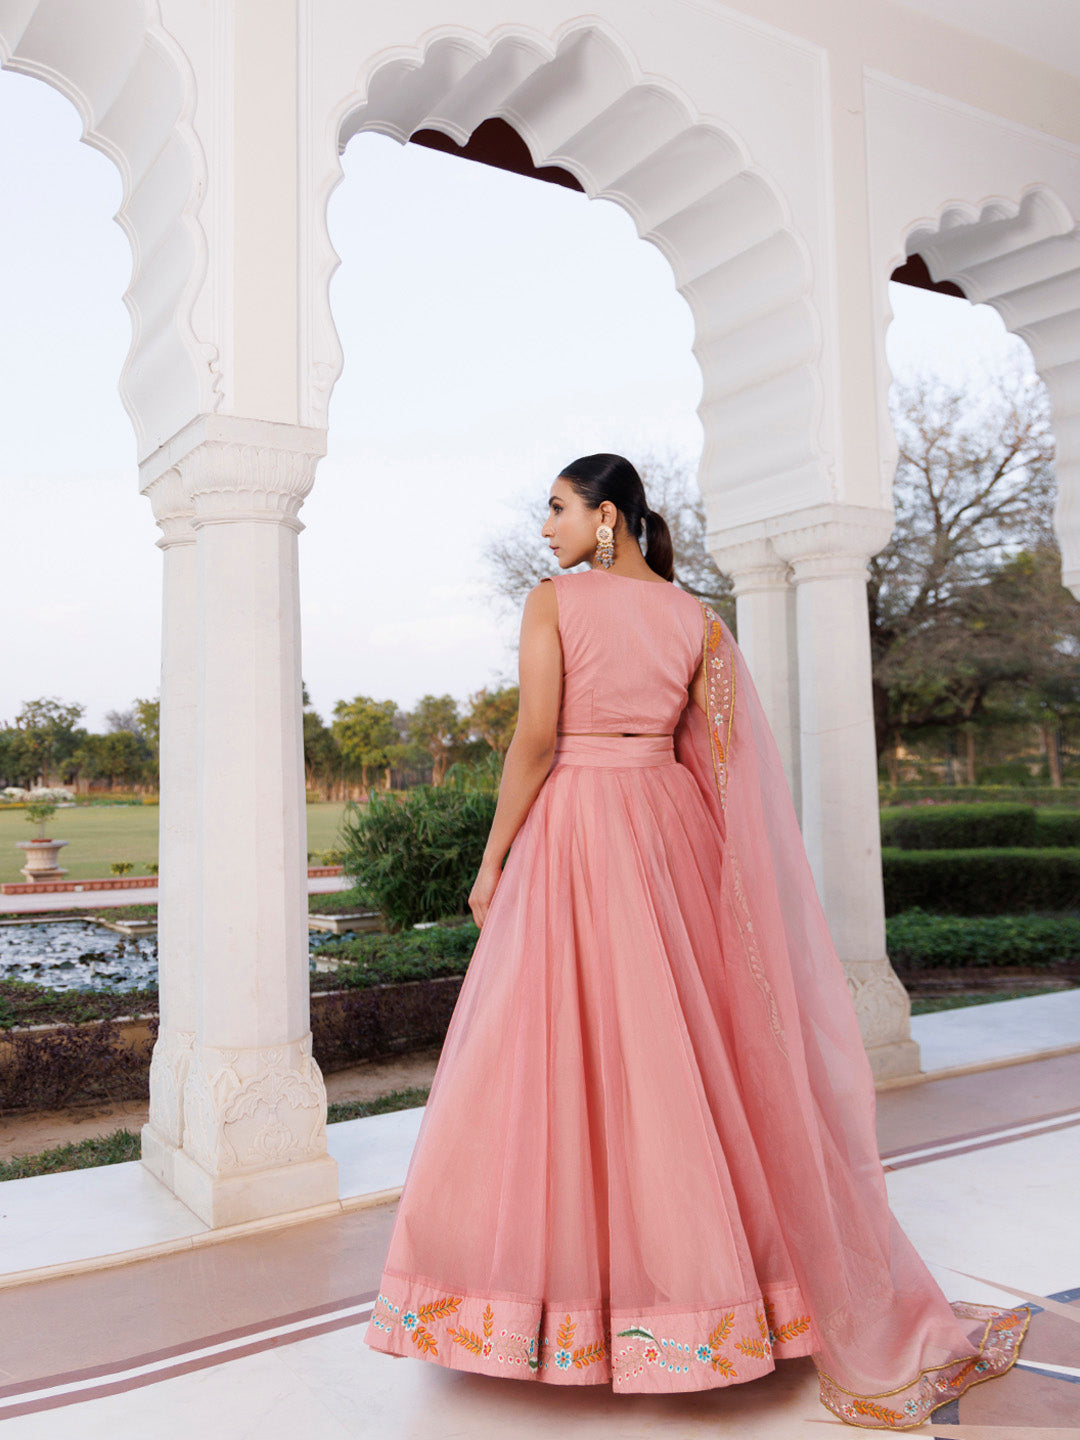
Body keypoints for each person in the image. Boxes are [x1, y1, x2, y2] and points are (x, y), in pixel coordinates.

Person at [362, 453, 1027, 1427]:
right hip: (669, 832)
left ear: (607, 518)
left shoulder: (555, 602)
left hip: (580, 826)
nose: (546, 528)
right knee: (674, 1056)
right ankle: (720, 1304)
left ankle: (563, 1311)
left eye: (558, 509)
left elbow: (536, 739)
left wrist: (493, 856)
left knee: (555, 1050)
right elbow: (721, 764)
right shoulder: (699, 621)